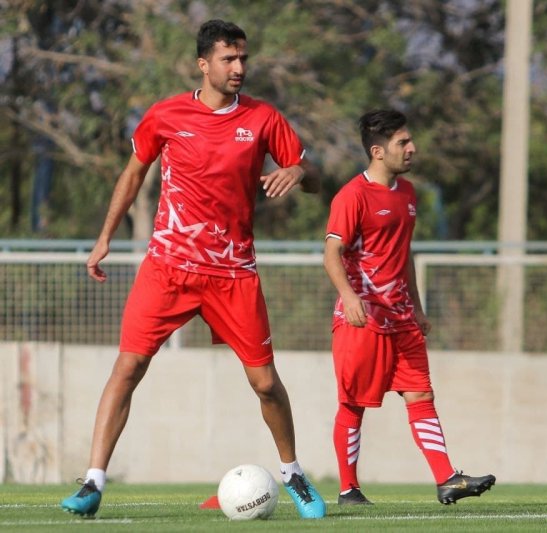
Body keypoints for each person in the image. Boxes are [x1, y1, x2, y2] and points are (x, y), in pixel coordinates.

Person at [60, 20, 326, 519]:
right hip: (168, 268)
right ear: (203, 64)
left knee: (265, 383)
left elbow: (315, 178)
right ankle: (93, 481)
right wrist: (104, 237)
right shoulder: (165, 114)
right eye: (229, 59)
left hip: (233, 274)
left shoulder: (264, 118)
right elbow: (133, 174)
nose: (239, 67)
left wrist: (298, 170)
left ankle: (293, 474)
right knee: (128, 368)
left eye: (243, 58)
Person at [323, 109, 496, 506]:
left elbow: (404, 254)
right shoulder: (353, 196)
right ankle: (349, 490)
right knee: (353, 403)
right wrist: (349, 296)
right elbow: (331, 253)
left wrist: (416, 306)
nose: (412, 148)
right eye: (403, 142)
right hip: (363, 319)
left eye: (410, 140)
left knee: (420, 395)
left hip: (401, 318)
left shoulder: (408, 193)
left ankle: (447, 479)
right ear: (377, 151)